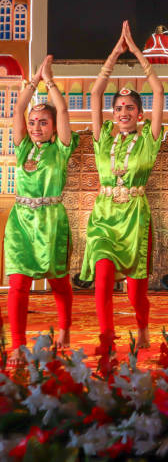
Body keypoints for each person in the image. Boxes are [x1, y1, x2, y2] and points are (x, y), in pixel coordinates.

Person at [79, 21, 164, 351]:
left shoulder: (149, 140)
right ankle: (107, 338)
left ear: (140, 115)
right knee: (101, 273)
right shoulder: (102, 140)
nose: (123, 111)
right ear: (112, 114)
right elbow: (95, 93)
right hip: (104, 215)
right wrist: (115, 53)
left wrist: (139, 54)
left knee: (135, 291)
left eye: (130, 108)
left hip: (135, 218)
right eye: (118, 108)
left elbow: (157, 91)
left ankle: (142, 325)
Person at [4, 55, 78, 364]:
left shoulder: (60, 149)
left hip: (50, 221)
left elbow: (61, 108)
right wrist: (32, 81)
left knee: (59, 280)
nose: (36, 126)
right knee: (18, 283)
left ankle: (64, 328)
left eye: (42, 122)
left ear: (52, 127)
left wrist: (49, 82)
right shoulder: (22, 147)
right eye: (33, 123)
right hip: (21, 221)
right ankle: (18, 345)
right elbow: (19, 109)